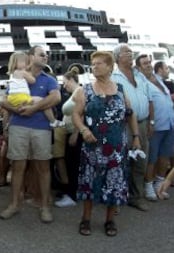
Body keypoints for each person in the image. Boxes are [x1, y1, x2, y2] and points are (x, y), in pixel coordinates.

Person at [72, 51, 140, 237]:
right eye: (93, 64)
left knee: (114, 183)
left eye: (99, 63)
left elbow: (130, 113)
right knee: (89, 182)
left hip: (117, 147)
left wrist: (136, 136)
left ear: (110, 67)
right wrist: (84, 130)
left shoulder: (119, 89)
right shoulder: (84, 90)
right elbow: (76, 114)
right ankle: (85, 219)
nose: (94, 67)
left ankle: (110, 220)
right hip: (93, 147)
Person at [0, 45, 61, 223]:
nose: (46, 57)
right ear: (31, 57)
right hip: (18, 126)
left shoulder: (48, 79)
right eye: (42, 54)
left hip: (41, 128)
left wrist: (33, 108)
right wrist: (16, 111)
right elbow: (4, 101)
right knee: (18, 167)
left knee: (43, 168)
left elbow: (56, 98)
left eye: (47, 55)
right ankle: (14, 204)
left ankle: (44, 206)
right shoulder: (17, 75)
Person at [111, 43, 153, 212]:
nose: (130, 53)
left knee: (140, 162)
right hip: (123, 125)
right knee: (120, 162)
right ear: (117, 57)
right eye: (126, 52)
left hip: (142, 124)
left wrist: (151, 122)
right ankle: (118, 198)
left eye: (130, 51)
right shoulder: (113, 77)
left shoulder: (140, 75)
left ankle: (136, 197)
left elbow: (149, 100)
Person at [136, 56, 174, 200]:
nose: (148, 65)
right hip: (156, 125)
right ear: (139, 67)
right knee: (152, 158)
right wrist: (151, 123)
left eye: (149, 63)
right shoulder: (141, 82)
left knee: (164, 156)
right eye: (145, 63)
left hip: (169, 124)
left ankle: (160, 184)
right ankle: (148, 186)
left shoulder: (157, 79)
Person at [7, 51, 63, 128]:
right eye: (24, 62)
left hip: (12, 98)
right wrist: (30, 67)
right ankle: (53, 121)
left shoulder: (13, 74)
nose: (26, 64)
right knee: (42, 100)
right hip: (21, 97)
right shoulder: (22, 72)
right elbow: (33, 81)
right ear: (16, 63)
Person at [54, 67, 81, 207]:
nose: (64, 86)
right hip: (69, 131)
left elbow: (82, 113)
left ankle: (72, 196)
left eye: (65, 83)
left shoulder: (79, 92)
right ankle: (70, 193)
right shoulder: (74, 93)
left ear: (71, 80)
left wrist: (76, 133)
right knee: (70, 163)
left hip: (75, 133)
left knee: (73, 165)